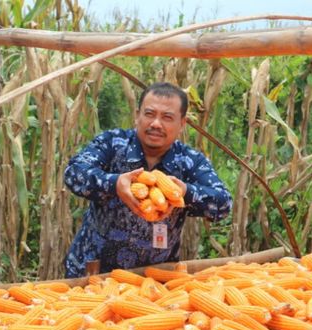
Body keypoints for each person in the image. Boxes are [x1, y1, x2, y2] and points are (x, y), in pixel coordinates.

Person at [63, 82, 232, 277]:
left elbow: (223, 204)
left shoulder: (190, 161)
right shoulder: (113, 143)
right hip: (93, 273)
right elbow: (74, 172)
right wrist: (114, 184)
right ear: (137, 115)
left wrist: (186, 192)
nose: (156, 124)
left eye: (167, 117)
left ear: (182, 124)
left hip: (153, 280)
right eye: (149, 114)